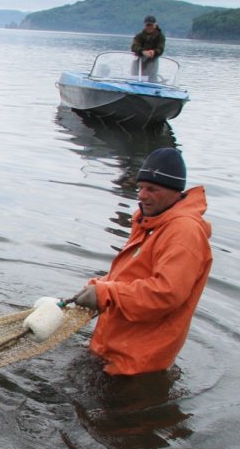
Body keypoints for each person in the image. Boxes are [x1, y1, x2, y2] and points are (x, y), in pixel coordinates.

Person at [71, 148, 212, 376]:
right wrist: (99, 285)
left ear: (174, 192)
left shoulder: (183, 232)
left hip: (137, 363)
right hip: (113, 348)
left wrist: (106, 294)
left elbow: (166, 293)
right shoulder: (151, 222)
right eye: (140, 188)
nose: (142, 195)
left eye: (152, 189)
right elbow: (133, 274)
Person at [131, 15, 165, 80]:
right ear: (144, 25)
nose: (149, 27)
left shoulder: (160, 36)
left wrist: (154, 51)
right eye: (147, 25)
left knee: (151, 78)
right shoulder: (139, 35)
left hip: (152, 60)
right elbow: (134, 46)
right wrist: (143, 51)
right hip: (138, 59)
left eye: (151, 25)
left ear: (155, 25)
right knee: (134, 77)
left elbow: (160, 49)